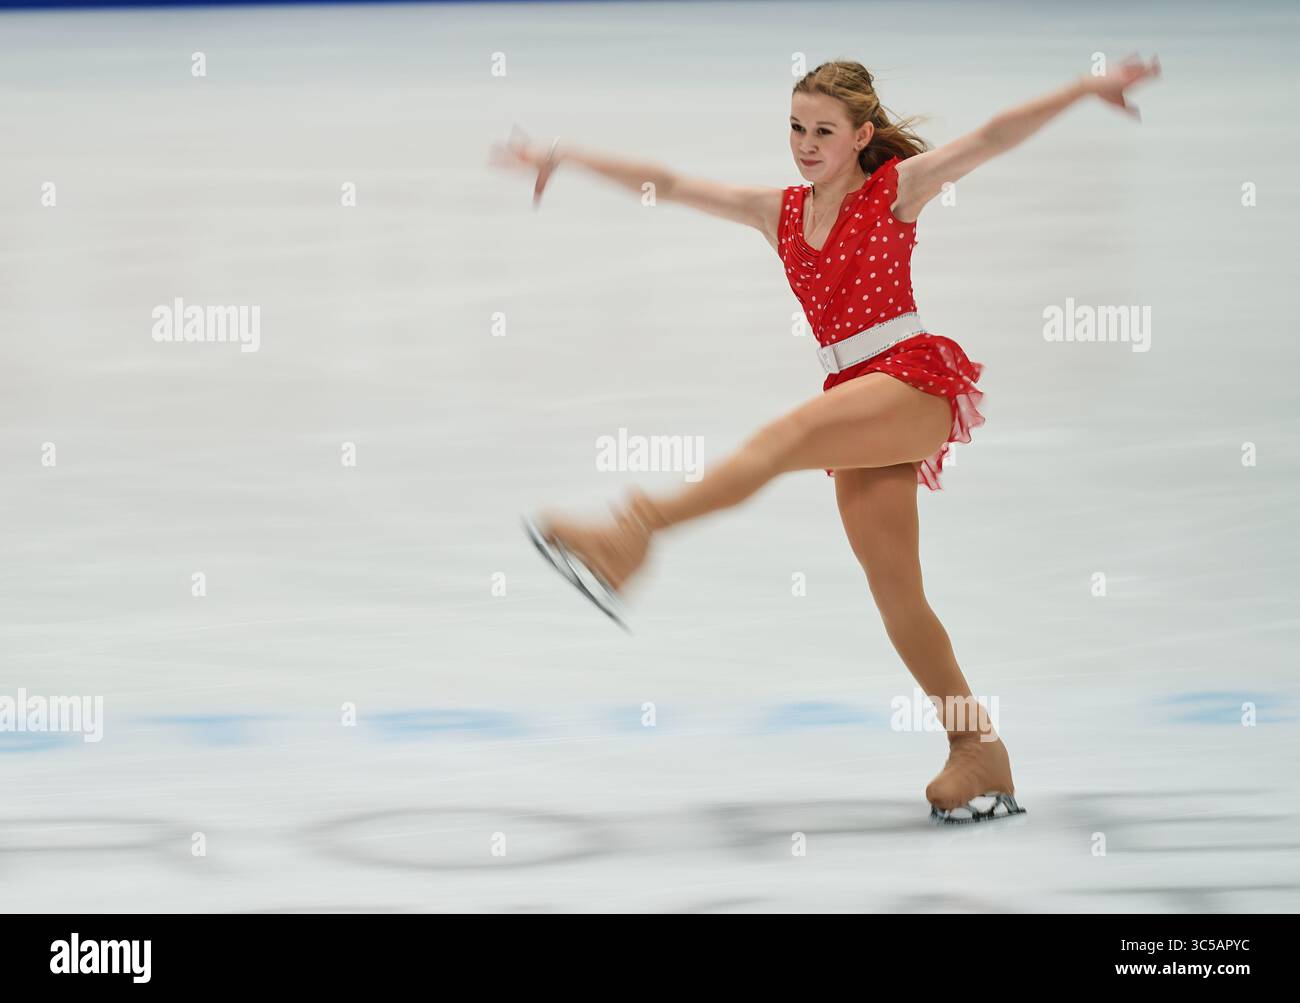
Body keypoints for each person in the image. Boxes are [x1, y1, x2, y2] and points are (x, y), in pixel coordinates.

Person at [493, 55, 1160, 822]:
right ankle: (978, 749)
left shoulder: (894, 192)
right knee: (897, 592)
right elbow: (669, 184)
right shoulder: (777, 213)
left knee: (782, 439)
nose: (806, 144)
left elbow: (993, 135)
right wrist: (564, 155)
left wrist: (1082, 88)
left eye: (824, 131)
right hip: (855, 396)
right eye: (796, 127)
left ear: (861, 136)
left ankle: (633, 530)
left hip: (910, 379)